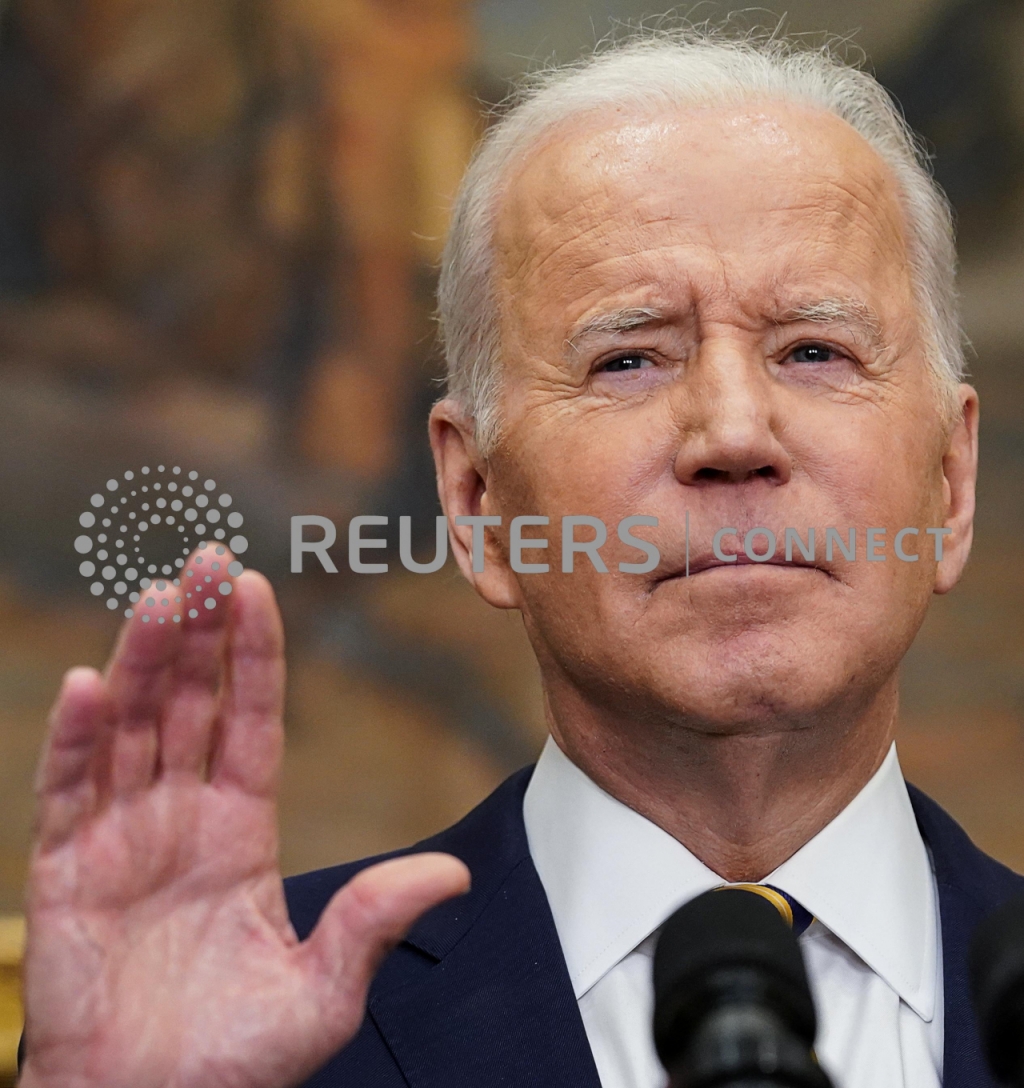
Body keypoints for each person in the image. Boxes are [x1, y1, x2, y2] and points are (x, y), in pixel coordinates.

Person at [18, 27, 1024, 1088]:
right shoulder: (228, 1037)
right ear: (476, 500)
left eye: (814, 351)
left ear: (949, 483)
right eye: (627, 357)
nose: (733, 431)